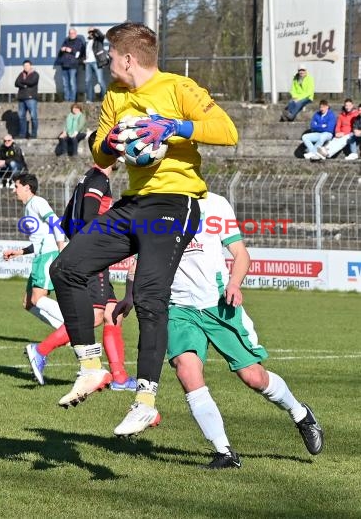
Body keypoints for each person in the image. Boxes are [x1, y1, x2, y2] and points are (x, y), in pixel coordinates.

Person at [49, 21, 238, 437]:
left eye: (111, 56)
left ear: (128, 58)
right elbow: (99, 150)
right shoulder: (115, 95)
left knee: (151, 296)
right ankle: (91, 366)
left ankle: (145, 401)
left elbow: (228, 131)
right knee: (65, 268)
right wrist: (112, 141)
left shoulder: (179, 88)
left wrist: (174, 129)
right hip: (133, 203)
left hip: (175, 202)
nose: (107, 63)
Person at [115, 192, 324, 466]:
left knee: (253, 377)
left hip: (217, 303)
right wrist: (130, 295)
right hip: (178, 308)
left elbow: (241, 254)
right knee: (186, 370)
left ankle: (300, 414)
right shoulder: (157, 204)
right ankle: (224, 452)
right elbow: (141, 256)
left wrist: (234, 284)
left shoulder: (215, 204)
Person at [25, 143, 136, 391]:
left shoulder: (87, 178)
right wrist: (114, 227)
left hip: (87, 252)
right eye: (119, 148)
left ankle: (119, 377)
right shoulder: (98, 179)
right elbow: (88, 217)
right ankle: (40, 350)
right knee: (96, 315)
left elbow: (66, 220)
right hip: (92, 254)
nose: (122, 153)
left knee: (112, 314)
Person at [3, 173, 67, 376]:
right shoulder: (29, 206)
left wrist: (60, 249)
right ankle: (64, 331)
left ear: (27, 187)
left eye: (16, 186)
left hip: (48, 255)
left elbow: (55, 222)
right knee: (28, 303)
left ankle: (72, 327)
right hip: (40, 255)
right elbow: (41, 236)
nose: (14, 190)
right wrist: (20, 252)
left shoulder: (37, 202)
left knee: (38, 300)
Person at [56, 28, 84, 102]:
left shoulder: (79, 41)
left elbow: (80, 53)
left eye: (72, 33)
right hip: (64, 65)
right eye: (70, 33)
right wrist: (62, 49)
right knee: (65, 84)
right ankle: (66, 99)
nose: (71, 35)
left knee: (72, 83)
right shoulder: (66, 41)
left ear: (75, 34)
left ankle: (72, 99)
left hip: (73, 65)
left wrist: (71, 50)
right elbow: (61, 52)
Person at [15, 59, 39, 139]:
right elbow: (16, 83)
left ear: (30, 66)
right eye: (24, 66)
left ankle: (34, 134)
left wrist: (22, 82)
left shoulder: (35, 74)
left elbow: (32, 82)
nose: (26, 67)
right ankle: (22, 134)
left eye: (27, 66)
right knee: (21, 117)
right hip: (21, 98)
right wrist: (24, 84)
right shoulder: (21, 74)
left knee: (33, 117)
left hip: (31, 98)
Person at [84, 27, 108, 102]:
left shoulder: (98, 39)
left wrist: (95, 29)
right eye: (89, 32)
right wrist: (83, 60)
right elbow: (84, 52)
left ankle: (105, 99)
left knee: (100, 80)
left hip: (96, 62)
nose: (91, 33)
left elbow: (101, 35)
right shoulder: (87, 41)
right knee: (88, 81)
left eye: (92, 32)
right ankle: (89, 99)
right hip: (88, 63)